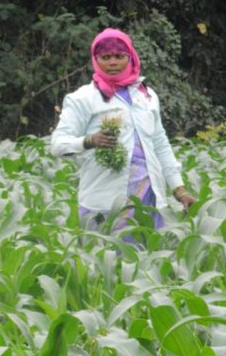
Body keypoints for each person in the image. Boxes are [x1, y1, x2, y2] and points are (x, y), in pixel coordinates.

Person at [50, 28, 196, 238]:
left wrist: (179, 189)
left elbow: (160, 144)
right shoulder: (83, 98)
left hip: (149, 199)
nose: (112, 63)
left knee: (149, 262)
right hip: (105, 202)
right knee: (108, 265)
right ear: (95, 60)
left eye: (119, 56)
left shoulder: (147, 96)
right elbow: (58, 144)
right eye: (105, 57)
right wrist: (90, 141)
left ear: (130, 58)